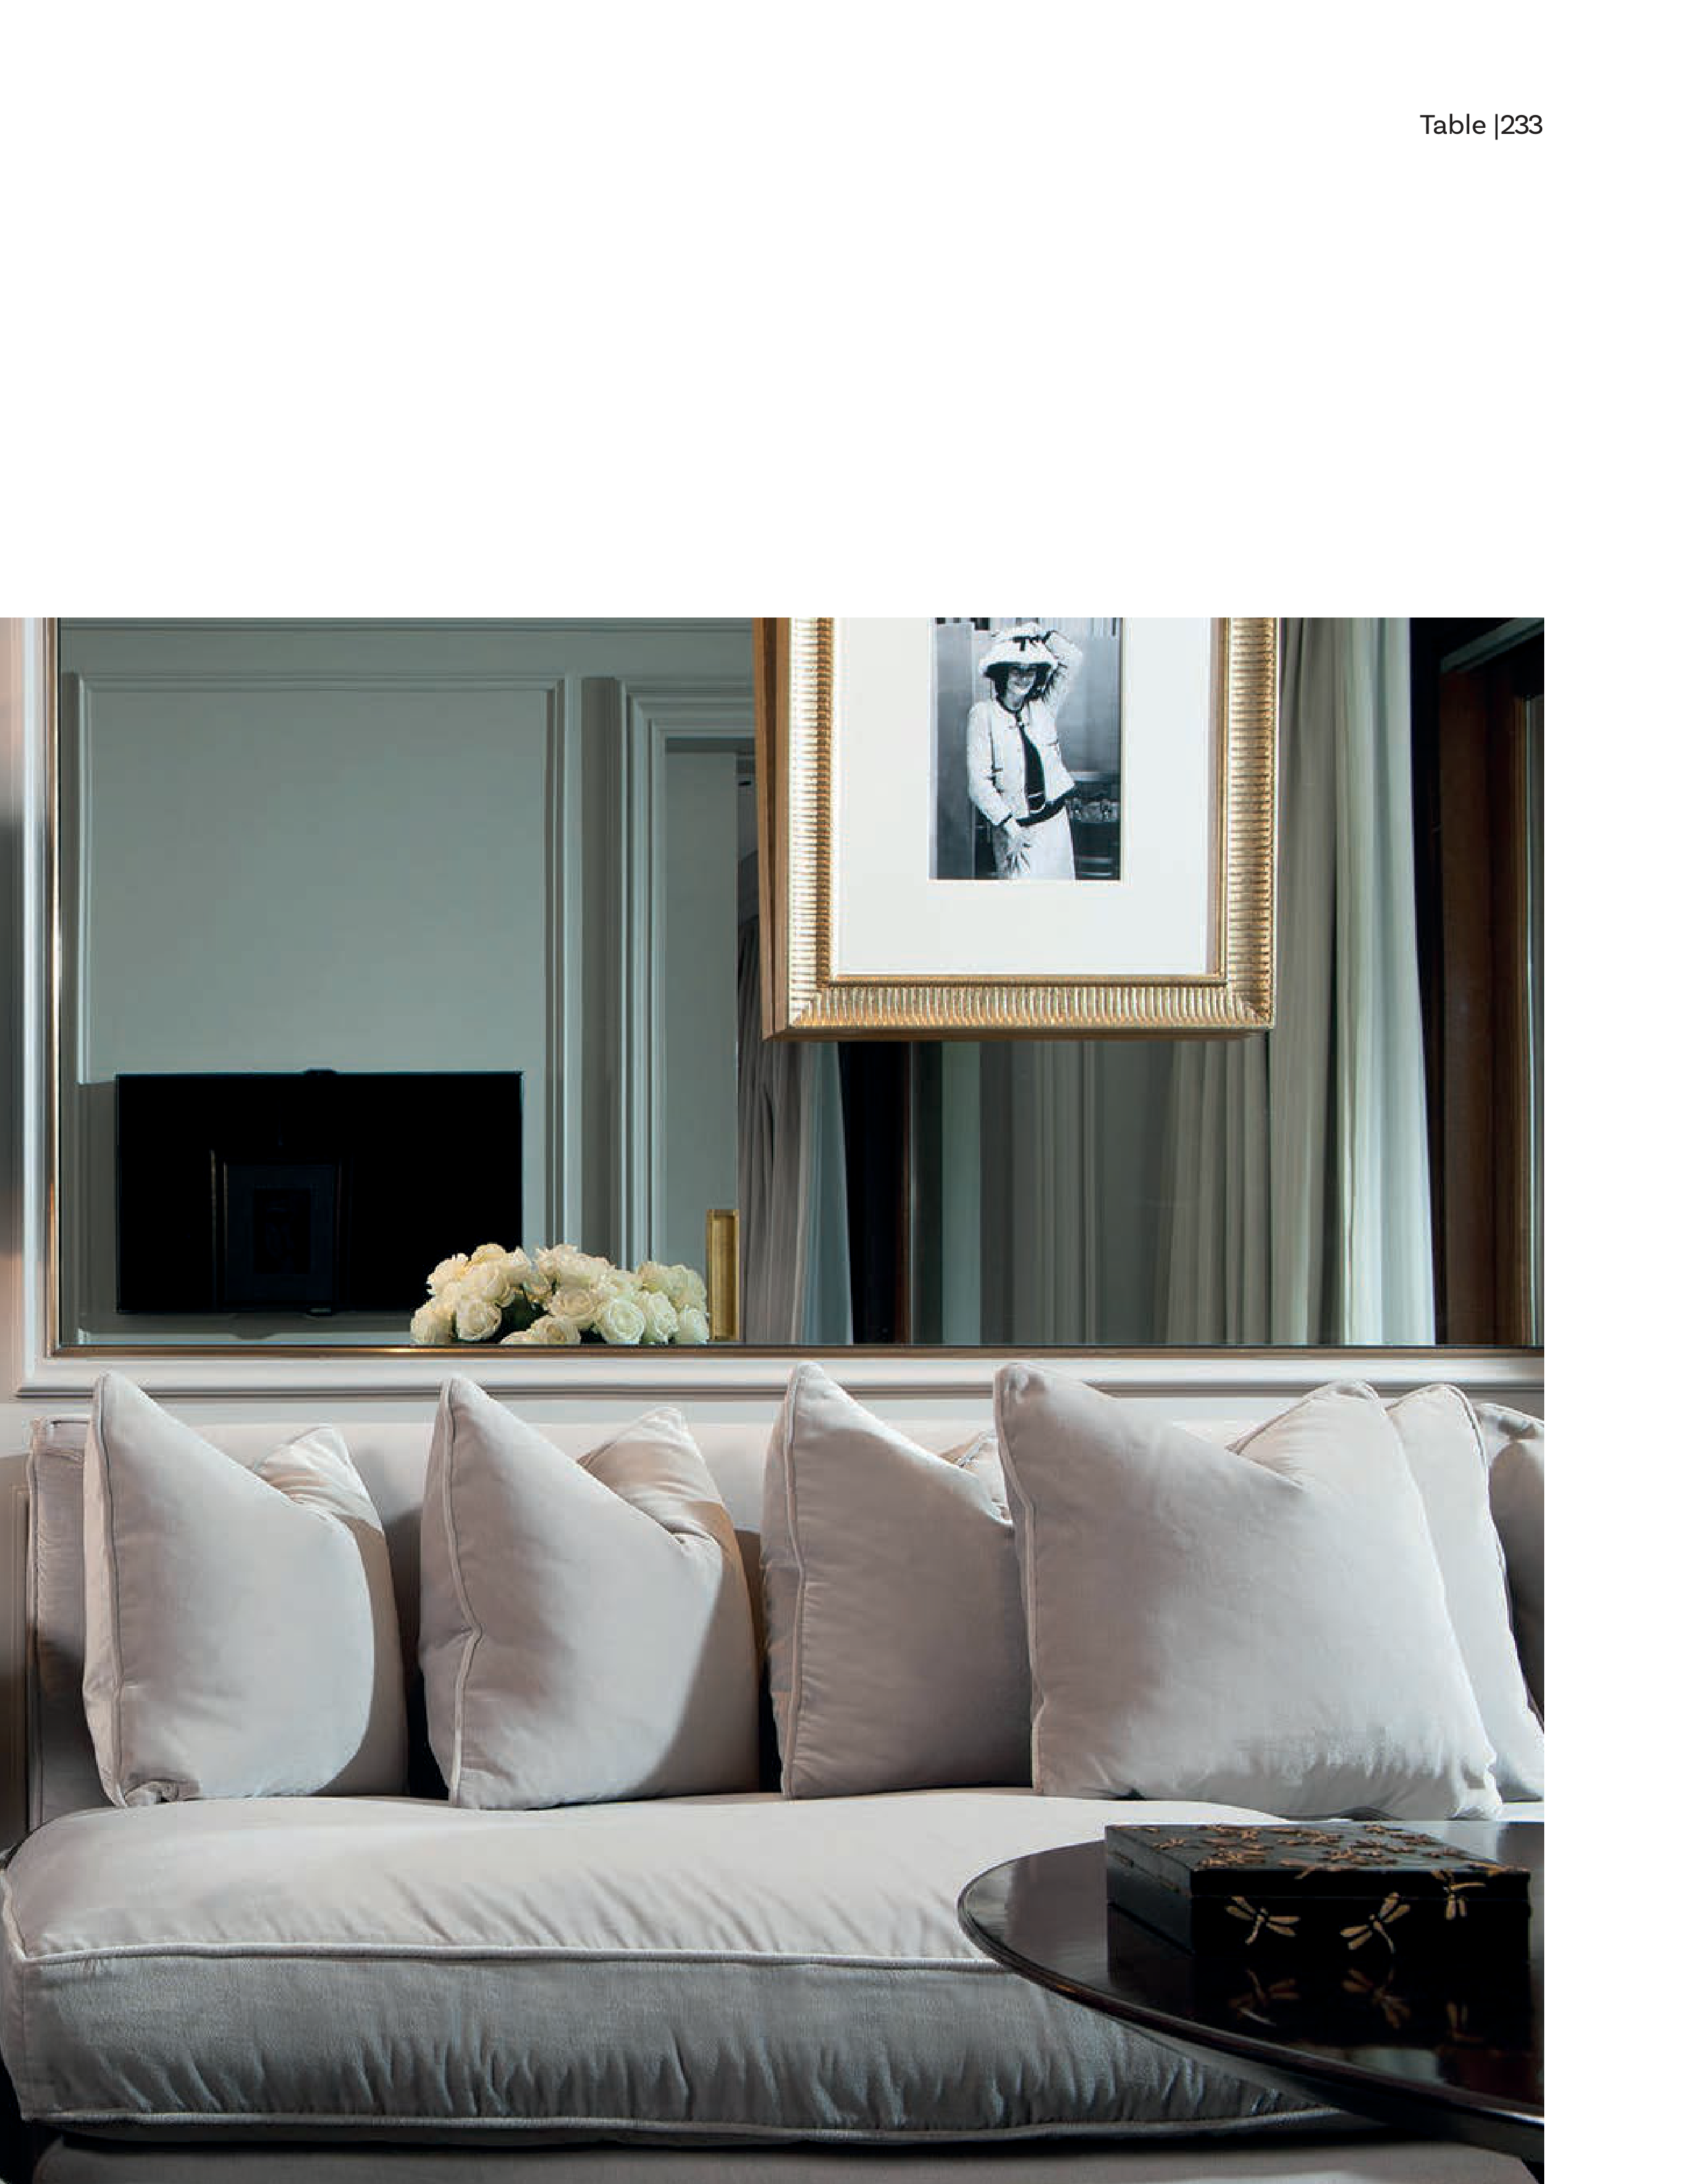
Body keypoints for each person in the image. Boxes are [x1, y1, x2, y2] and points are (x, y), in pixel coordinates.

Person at [965, 624, 1084, 879]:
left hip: (1056, 827)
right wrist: (1012, 829)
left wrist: (1041, 634)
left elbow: (1073, 660)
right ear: (1002, 673)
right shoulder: (984, 715)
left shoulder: (1044, 707)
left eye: (1030, 670)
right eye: (1016, 670)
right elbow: (978, 785)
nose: (1024, 677)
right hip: (1016, 831)